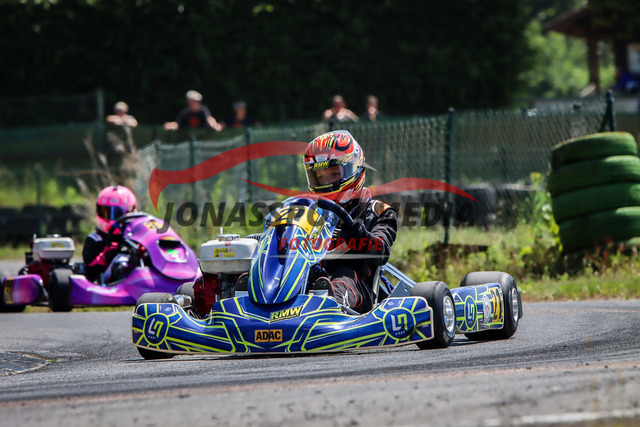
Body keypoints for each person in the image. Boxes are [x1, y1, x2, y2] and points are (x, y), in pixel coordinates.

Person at [303, 130, 398, 314]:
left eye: (334, 174)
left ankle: (328, 308)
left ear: (354, 168)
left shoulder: (378, 212)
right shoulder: (311, 213)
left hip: (359, 286)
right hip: (312, 278)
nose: (326, 182)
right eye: (320, 177)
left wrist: (353, 229)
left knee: (343, 277)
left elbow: (380, 252)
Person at [82, 185, 137, 283]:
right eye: (106, 212)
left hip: (138, 279)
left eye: (118, 213)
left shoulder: (135, 238)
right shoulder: (95, 240)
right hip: (108, 284)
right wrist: (106, 256)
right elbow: (90, 271)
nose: (112, 218)